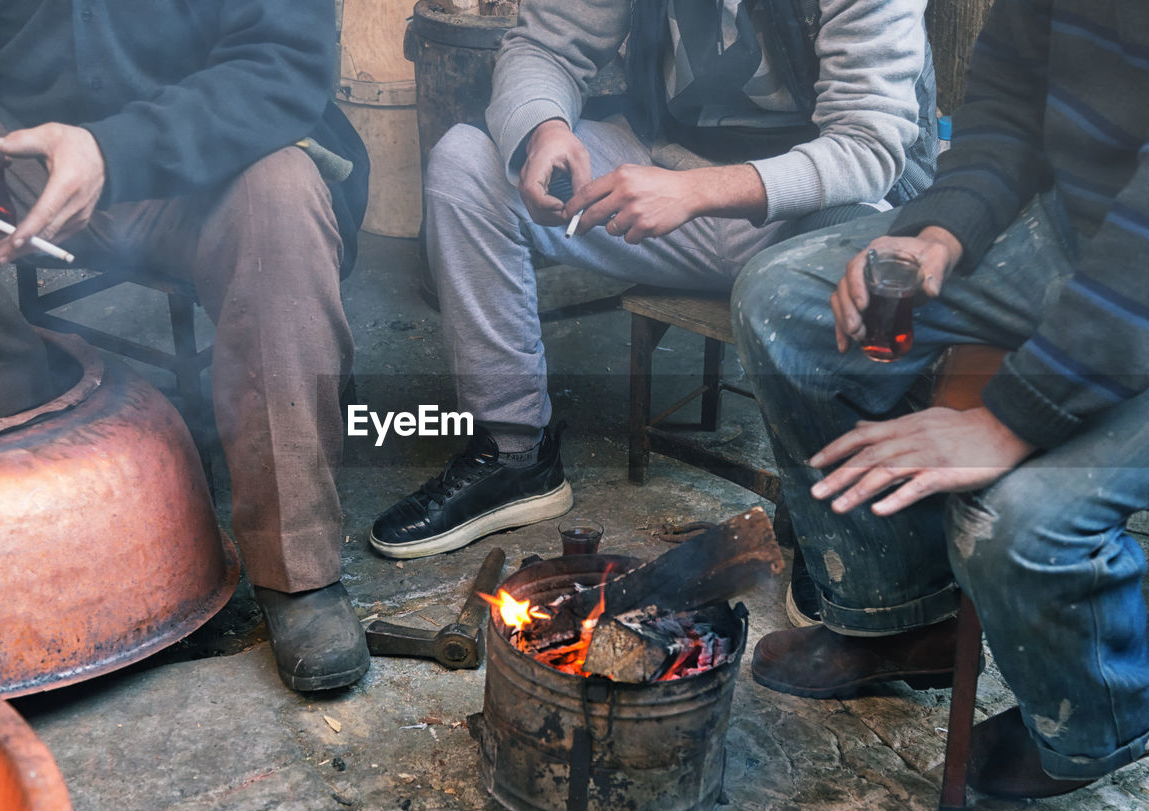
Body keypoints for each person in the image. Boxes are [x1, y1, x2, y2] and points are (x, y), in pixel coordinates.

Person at [0, 0, 371, 694]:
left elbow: (283, 62)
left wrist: (113, 152)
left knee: (281, 194)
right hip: (4, 144)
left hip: (196, 151)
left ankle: (299, 571)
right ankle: (26, 495)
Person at [732, 0, 1149, 798]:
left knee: (1016, 523)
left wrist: (1009, 420)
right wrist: (942, 233)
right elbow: (1006, 108)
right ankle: (900, 617)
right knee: (784, 300)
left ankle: (1098, 720)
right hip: (1074, 228)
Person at [370, 0, 938, 560]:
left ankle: (838, 526)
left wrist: (696, 193)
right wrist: (544, 127)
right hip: (659, 168)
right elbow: (546, 45)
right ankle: (515, 454)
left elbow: (869, 143)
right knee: (465, 165)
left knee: (877, 262)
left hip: (811, 207)